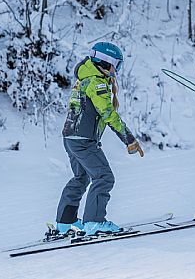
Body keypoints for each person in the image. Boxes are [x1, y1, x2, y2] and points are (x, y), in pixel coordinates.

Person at [56, 42, 144, 236]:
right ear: (107, 62)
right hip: (83, 141)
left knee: (81, 177)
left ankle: (65, 222)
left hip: (71, 138)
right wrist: (129, 139)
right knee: (104, 177)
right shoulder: (96, 82)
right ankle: (94, 222)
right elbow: (108, 113)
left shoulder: (85, 77)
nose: (117, 70)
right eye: (116, 65)